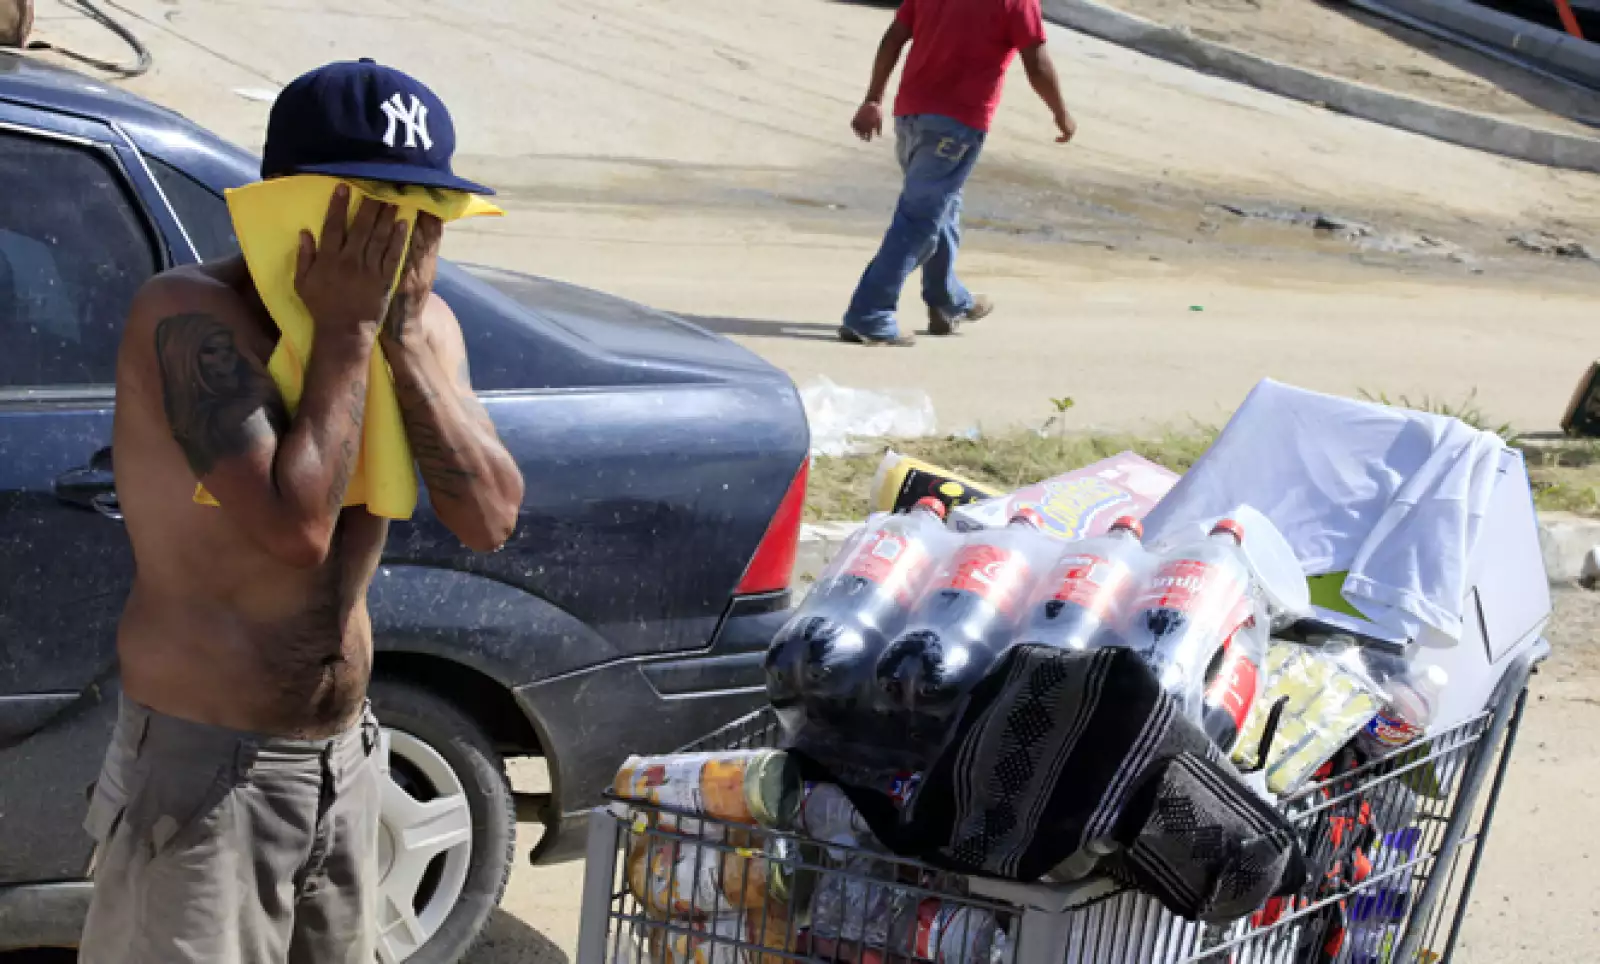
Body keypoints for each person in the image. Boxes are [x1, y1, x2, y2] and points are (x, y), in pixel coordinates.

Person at [79, 60, 525, 964]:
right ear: (290, 201)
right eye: (372, 208)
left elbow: (489, 518)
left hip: (345, 760)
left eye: (421, 211)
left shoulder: (421, 327)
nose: (396, 237)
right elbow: (297, 531)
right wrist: (347, 333)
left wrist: (402, 336)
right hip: (206, 774)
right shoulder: (191, 319)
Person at [840, 0, 1075, 347]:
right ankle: (870, 313)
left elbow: (894, 37)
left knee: (942, 206)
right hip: (956, 123)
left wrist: (873, 98)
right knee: (919, 220)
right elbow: (1036, 63)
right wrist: (1061, 113)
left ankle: (947, 300)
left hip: (911, 116)